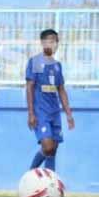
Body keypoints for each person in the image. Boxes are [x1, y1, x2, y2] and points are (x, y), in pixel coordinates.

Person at [26, 29, 75, 172]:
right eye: (50, 40)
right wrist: (31, 113)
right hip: (41, 111)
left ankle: (50, 182)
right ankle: (31, 172)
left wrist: (69, 114)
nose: (54, 44)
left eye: (56, 41)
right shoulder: (35, 62)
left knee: (53, 149)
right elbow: (29, 87)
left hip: (55, 112)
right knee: (47, 146)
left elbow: (61, 90)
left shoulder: (57, 65)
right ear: (42, 43)